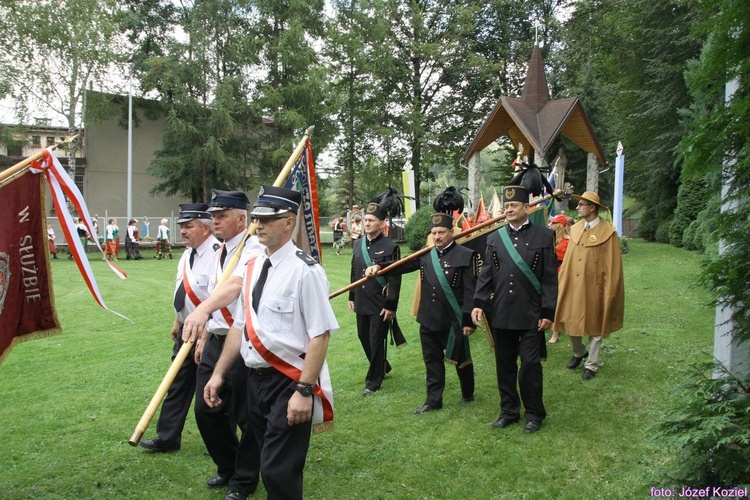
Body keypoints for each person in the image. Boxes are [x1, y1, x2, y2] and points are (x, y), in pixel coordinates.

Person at [204, 185, 338, 500]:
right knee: (267, 458)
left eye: (267, 220)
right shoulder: (251, 266)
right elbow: (240, 324)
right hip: (253, 379)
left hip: (288, 381)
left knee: (279, 469)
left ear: (289, 222)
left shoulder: (306, 272)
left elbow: (320, 334)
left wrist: (304, 391)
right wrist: (219, 372)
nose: (258, 226)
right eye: (256, 220)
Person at [366, 212, 479, 413]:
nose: (437, 236)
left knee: (461, 358)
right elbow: (402, 265)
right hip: (428, 318)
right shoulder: (426, 252)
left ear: (451, 232)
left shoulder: (465, 255)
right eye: (434, 232)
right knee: (431, 361)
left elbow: (470, 291)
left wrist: (468, 320)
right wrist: (379, 266)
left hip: (453, 320)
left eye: (442, 232)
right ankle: (433, 400)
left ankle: (468, 392)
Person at [193, 190, 264, 498]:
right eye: (213, 216)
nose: (215, 221)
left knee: (246, 416)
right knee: (205, 410)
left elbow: (235, 287)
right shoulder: (219, 250)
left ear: (241, 218)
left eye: (222, 216)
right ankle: (229, 466)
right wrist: (204, 334)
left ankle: (245, 480)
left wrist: (203, 309)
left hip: (242, 342)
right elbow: (214, 289)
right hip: (215, 339)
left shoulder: (254, 249)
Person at [471, 185, 558, 434]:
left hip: (531, 312)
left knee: (530, 364)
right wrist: (478, 303)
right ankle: (508, 411)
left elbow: (550, 279)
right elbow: (486, 274)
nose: (508, 210)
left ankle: (534, 413)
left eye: (514, 206)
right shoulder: (495, 238)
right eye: (506, 207)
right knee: (505, 364)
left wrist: (548, 312)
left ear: (526, 208)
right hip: (501, 311)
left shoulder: (544, 236)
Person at [140, 204, 219, 453]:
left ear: (206, 228)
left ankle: (220, 440)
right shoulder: (187, 254)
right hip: (187, 328)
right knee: (177, 384)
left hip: (210, 330)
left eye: (188, 226)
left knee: (212, 387)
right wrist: (178, 319)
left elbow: (220, 298)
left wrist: (206, 333)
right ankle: (168, 437)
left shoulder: (219, 253)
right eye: (182, 227)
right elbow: (183, 290)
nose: (183, 231)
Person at [552, 191, 625, 380]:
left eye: (581, 204)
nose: (577, 207)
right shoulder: (575, 229)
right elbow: (568, 259)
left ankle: (591, 364)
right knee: (569, 319)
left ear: (592, 207)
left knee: (596, 322)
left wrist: (610, 288)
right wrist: (563, 281)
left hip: (596, 286)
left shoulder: (608, 232)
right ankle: (579, 352)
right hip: (574, 285)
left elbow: (613, 264)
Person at [349, 201, 402, 396]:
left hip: (379, 302)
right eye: (365, 220)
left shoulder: (391, 247)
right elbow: (354, 270)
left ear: (381, 223)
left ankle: (373, 381)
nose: (367, 223)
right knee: (363, 337)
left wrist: (391, 305)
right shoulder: (357, 244)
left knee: (376, 340)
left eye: (372, 220)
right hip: (362, 298)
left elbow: (395, 279)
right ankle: (382, 365)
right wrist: (352, 295)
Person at [547, 213, 570, 344]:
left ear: (560, 226)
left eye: (553, 223)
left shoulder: (568, 241)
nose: (550, 225)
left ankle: (555, 333)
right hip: (549, 274)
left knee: (558, 303)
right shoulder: (549, 239)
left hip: (561, 273)